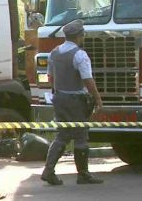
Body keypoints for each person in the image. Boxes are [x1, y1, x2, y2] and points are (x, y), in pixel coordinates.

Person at [41, 19, 104, 185]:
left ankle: (49, 170)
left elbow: (50, 77)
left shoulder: (54, 53)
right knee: (81, 135)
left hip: (59, 98)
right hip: (75, 100)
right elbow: (88, 80)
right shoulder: (80, 55)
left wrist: (57, 93)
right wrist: (97, 98)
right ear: (79, 36)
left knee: (62, 135)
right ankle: (83, 174)